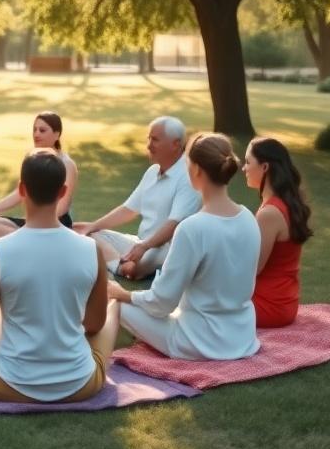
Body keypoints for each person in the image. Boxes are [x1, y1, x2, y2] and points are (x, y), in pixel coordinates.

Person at [0, 150, 116, 403]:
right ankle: (116, 306)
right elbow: (94, 325)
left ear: (22, 189)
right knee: (114, 309)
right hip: (79, 384)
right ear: (63, 191)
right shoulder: (91, 250)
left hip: (8, 384)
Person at [107, 133, 260, 360]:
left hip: (198, 342)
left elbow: (162, 303)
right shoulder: (248, 218)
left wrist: (123, 295)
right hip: (242, 337)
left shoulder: (192, 228)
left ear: (196, 170)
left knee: (110, 300)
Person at [74, 116, 201, 279]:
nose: (148, 145)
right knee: (82, 230)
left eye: (155, 140)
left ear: (176, 144)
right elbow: (128, 210)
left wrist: (144, 247)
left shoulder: (187, 176)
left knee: (132, 268)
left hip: (166, 249)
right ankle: (121, 265)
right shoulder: (152, 171)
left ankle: (121, 266)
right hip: (139, 242)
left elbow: (174, 225)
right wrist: (93, 226)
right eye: (149, 139)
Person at [0, 111, 77, 237]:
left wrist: (33, 223)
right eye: (34, 130)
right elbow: (20, 193)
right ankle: (28, 238)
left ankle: (24, 238)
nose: (36, 134)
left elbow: (62, 207)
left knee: (26, 230)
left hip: (55, 224)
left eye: (42, 130)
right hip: (31, 223)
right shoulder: (31, 157)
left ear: (57, 134)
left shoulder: (67, 164)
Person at [243, 137, 313, 327]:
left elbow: (254, 269)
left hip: (269, 305)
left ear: (265, 167)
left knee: (202, 301)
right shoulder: (283, 203)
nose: (244, 168)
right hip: (283, 302)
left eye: (248, 162)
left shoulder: (269, 213)